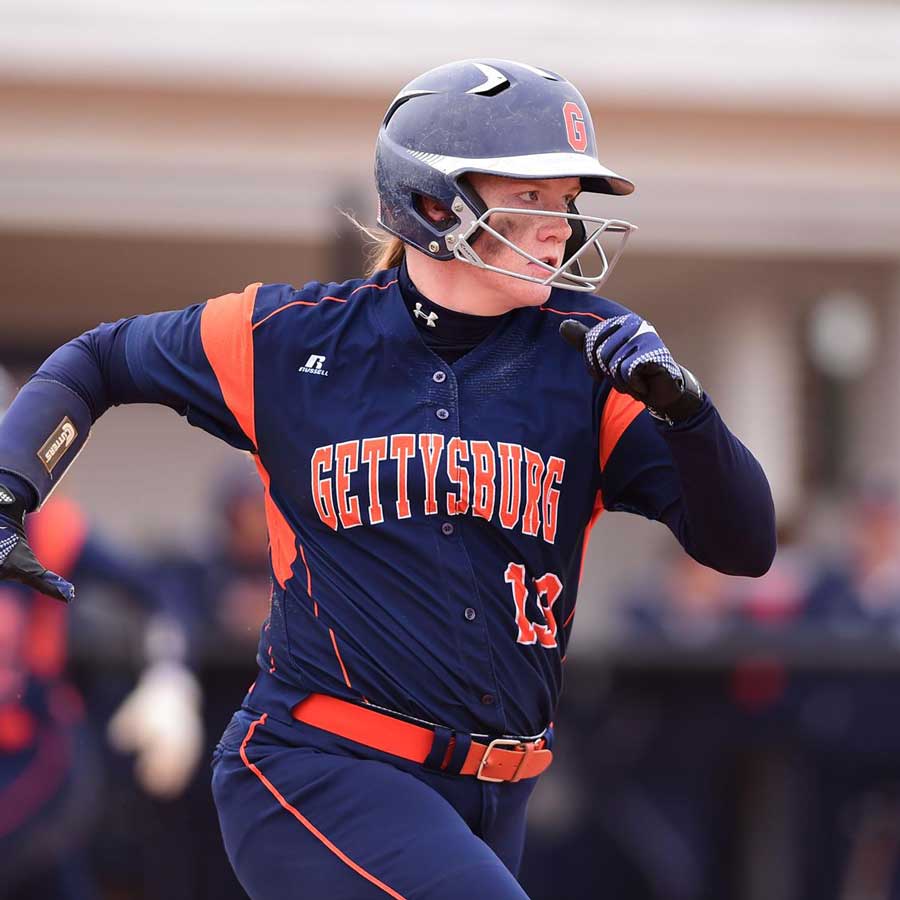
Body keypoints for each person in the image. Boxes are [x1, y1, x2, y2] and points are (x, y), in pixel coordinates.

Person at [0, 58, 775, 899]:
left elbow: (744, 545)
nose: (559, 225)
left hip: (495, 791)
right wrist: (11, 483)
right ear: (434, 205)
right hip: (317, 768)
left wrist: (687, 418)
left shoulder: (591, 351)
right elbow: (97, 359)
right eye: (531, 196)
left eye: (567, 201)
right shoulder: (289, 341)